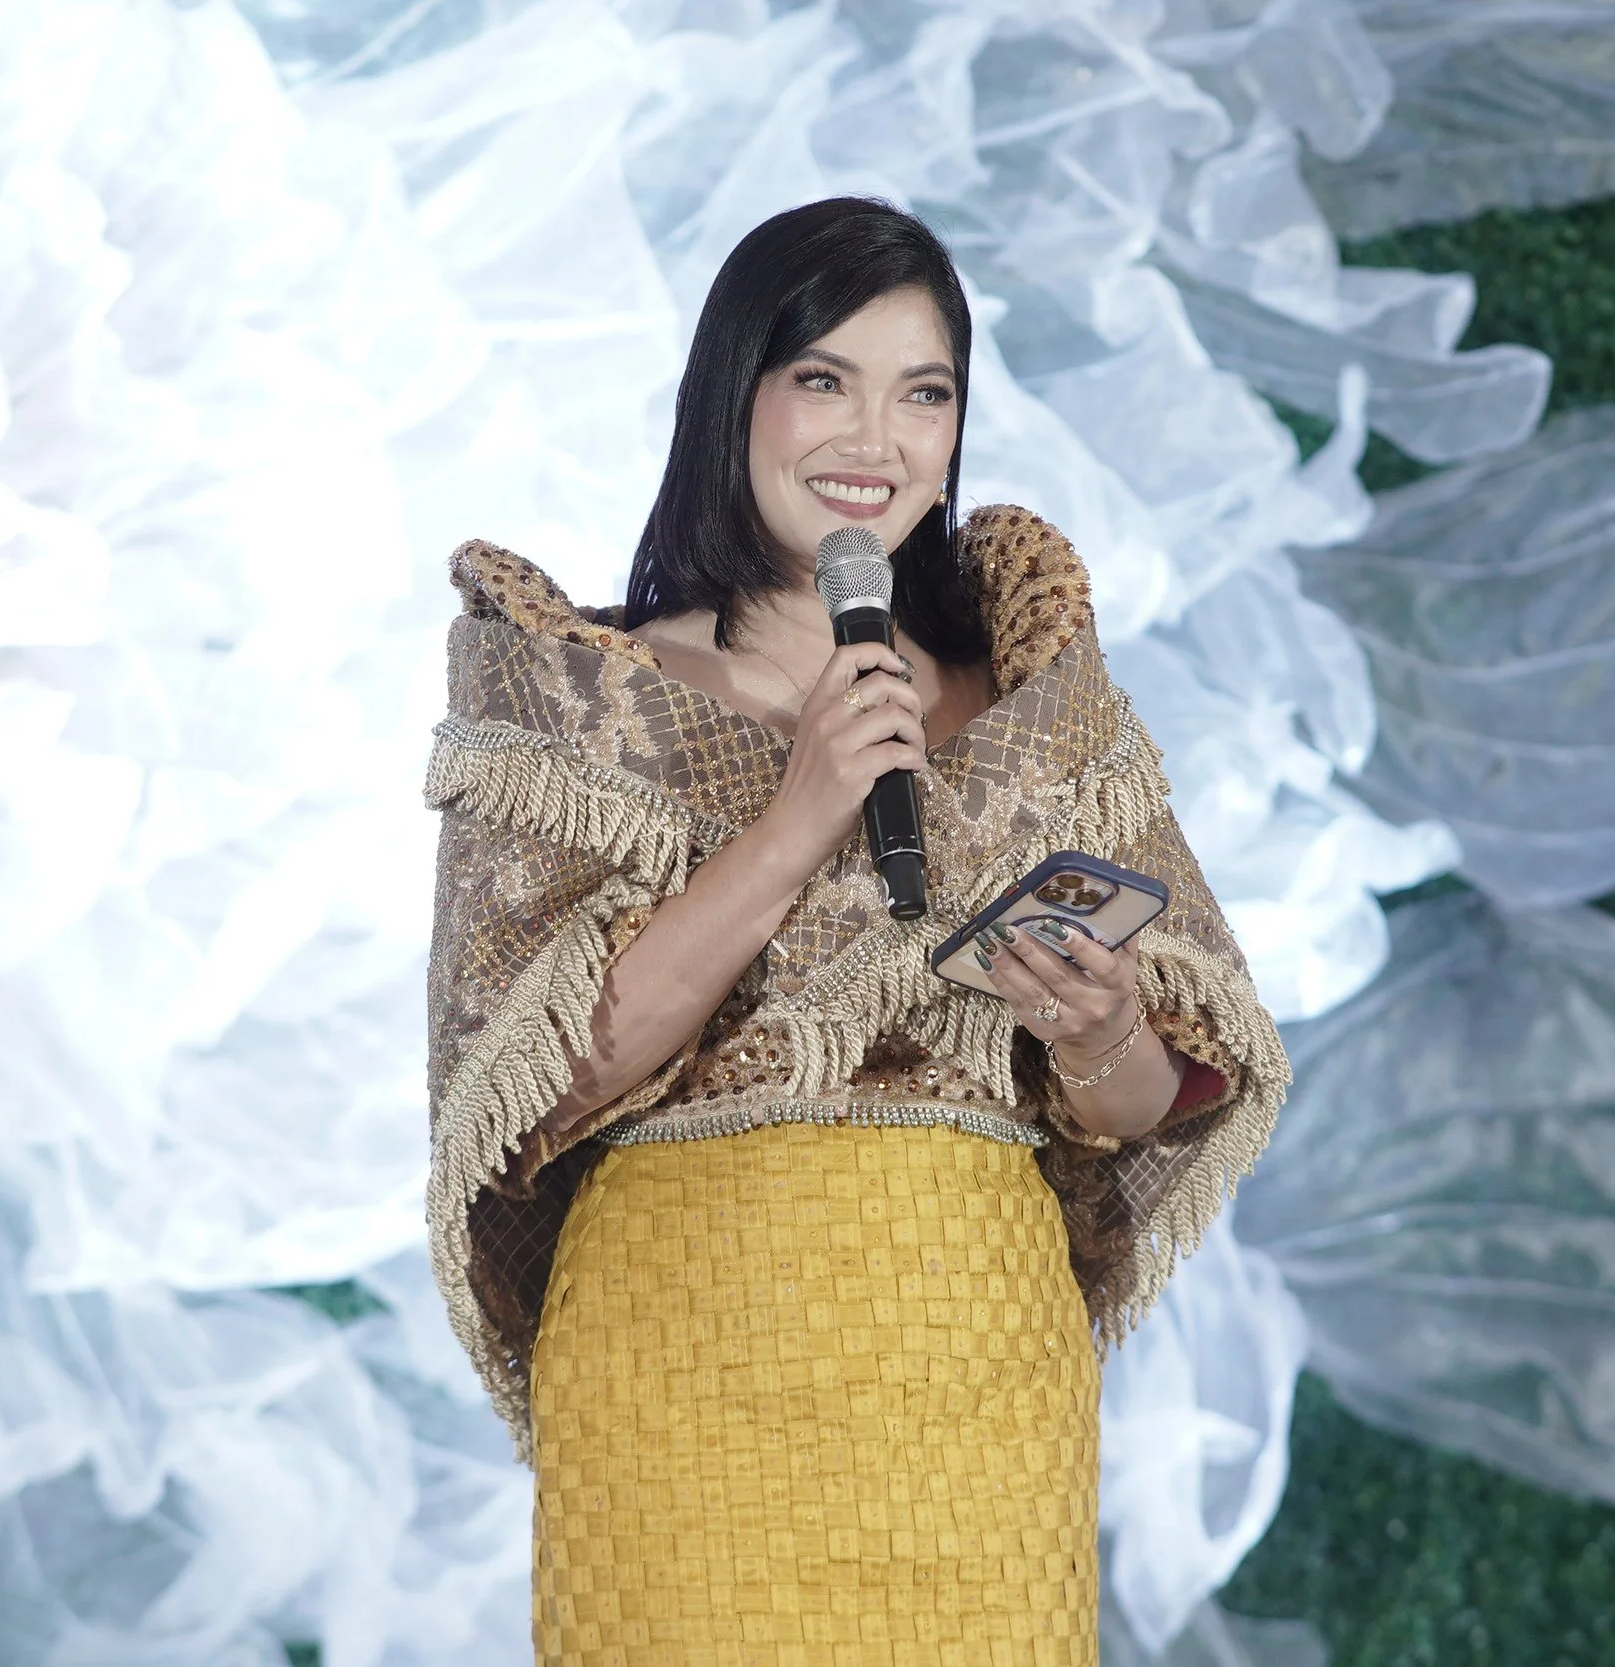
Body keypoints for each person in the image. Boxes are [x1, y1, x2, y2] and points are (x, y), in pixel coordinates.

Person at [422, 197, 1290, 1664]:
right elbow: (527, 1086)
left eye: (924, 393)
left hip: (976, 1373)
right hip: (681, 1360)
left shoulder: (1036, 699)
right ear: (736, 395)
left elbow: (1151, 1106)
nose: (874, 439)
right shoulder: (574, 697)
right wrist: (796, 818)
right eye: (824, 379)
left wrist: (1102, 1033)